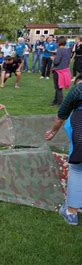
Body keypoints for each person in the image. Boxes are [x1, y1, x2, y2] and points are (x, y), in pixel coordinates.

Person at [44, 76, 82, 225]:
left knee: (77, 170)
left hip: (79, 133)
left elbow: (61, 115)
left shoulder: (78, 89)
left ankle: (71, 212)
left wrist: (53, 132)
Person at [52, 37, 72, 106]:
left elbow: (56, 62)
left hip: (58, 71)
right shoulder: (68, 50)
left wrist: (53, 59)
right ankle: (55, 101)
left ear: (58, 43)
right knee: (58, 87)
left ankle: (60, 102)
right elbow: (68, 61)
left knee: (58, 87)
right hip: (65, 71)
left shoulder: (59, 50)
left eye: (56, 42)